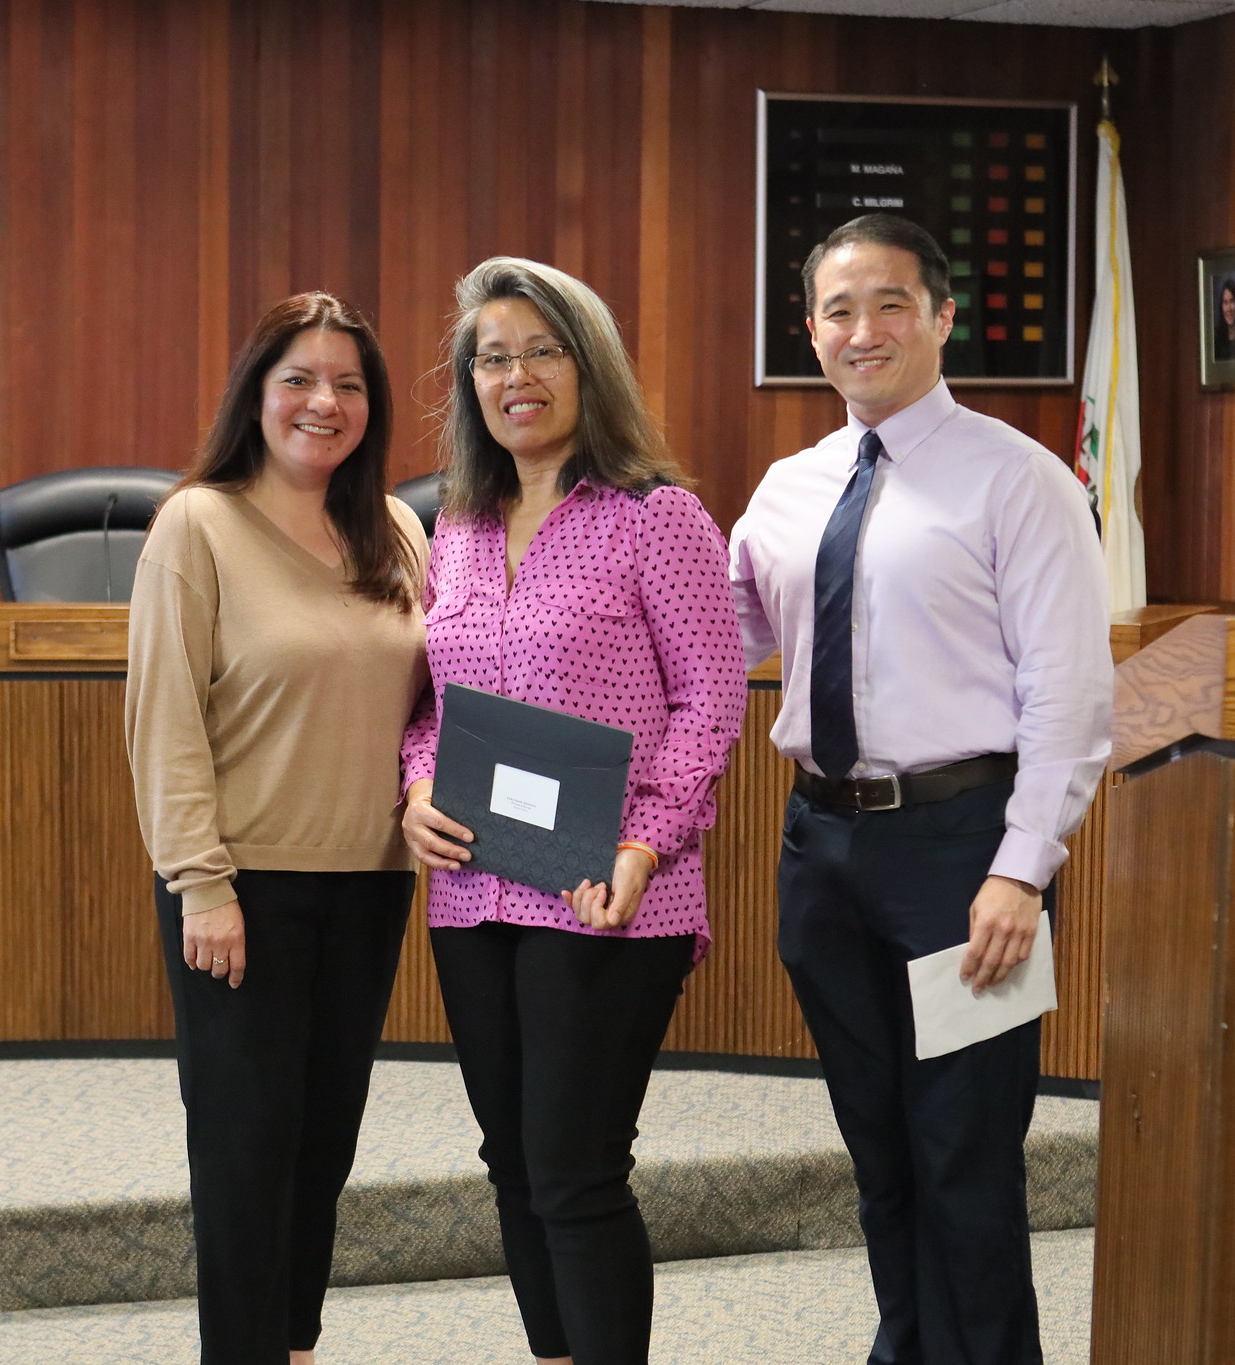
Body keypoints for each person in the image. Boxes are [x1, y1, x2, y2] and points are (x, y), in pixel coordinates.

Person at [728, 214, 1110, 1365]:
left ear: (942, 318)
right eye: (838, 310)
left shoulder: (1018, 481)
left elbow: (1071, 696)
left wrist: (1018, 868)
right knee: (880, 1153)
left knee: (965, 1158)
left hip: (960, 855)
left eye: (889, 303)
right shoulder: (788, 489)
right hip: (822, 853)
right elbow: (712, 634)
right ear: (809, 331)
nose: (863, 330)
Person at [398, 257, 744, 1365]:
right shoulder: (454, 525)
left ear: (586, 365)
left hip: (609, 893)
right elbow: (427, 706)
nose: (515, 376)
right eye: (490, 357)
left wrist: (644, 844)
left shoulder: (657, 516)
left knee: (573, 1165)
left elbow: (711, 700)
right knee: (510, 1159)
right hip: (472, 887)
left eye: (540, 350)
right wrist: (413, 789)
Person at [125, 292, 428, 1365]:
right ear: (256, 394)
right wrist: (199, 883)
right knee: (246, 1152)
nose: (323, 402)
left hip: (371, 882)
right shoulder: (195, 524)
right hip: (241, 891)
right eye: (298, 378)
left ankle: (292, 1346)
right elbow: (163, 721)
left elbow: (430, 707)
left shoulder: (393, 527)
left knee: (322, 1145)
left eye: (348, 384)